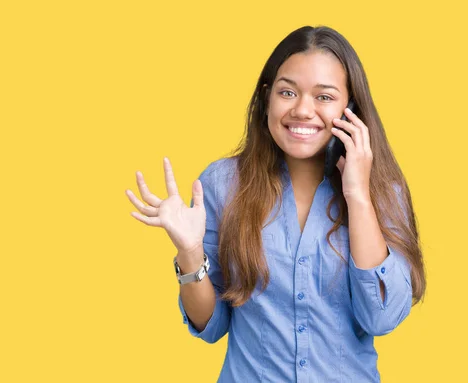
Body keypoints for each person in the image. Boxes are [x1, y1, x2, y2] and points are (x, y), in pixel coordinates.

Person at [125, 25, 426, 382]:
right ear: (267, 97)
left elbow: (381, 318)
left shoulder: (383, 192)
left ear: (351, 109)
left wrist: (358, 195)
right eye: (288, 92)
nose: (302, 110)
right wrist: (189, 252)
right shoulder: (223, 184)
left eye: (324, 97)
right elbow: (209, 323)